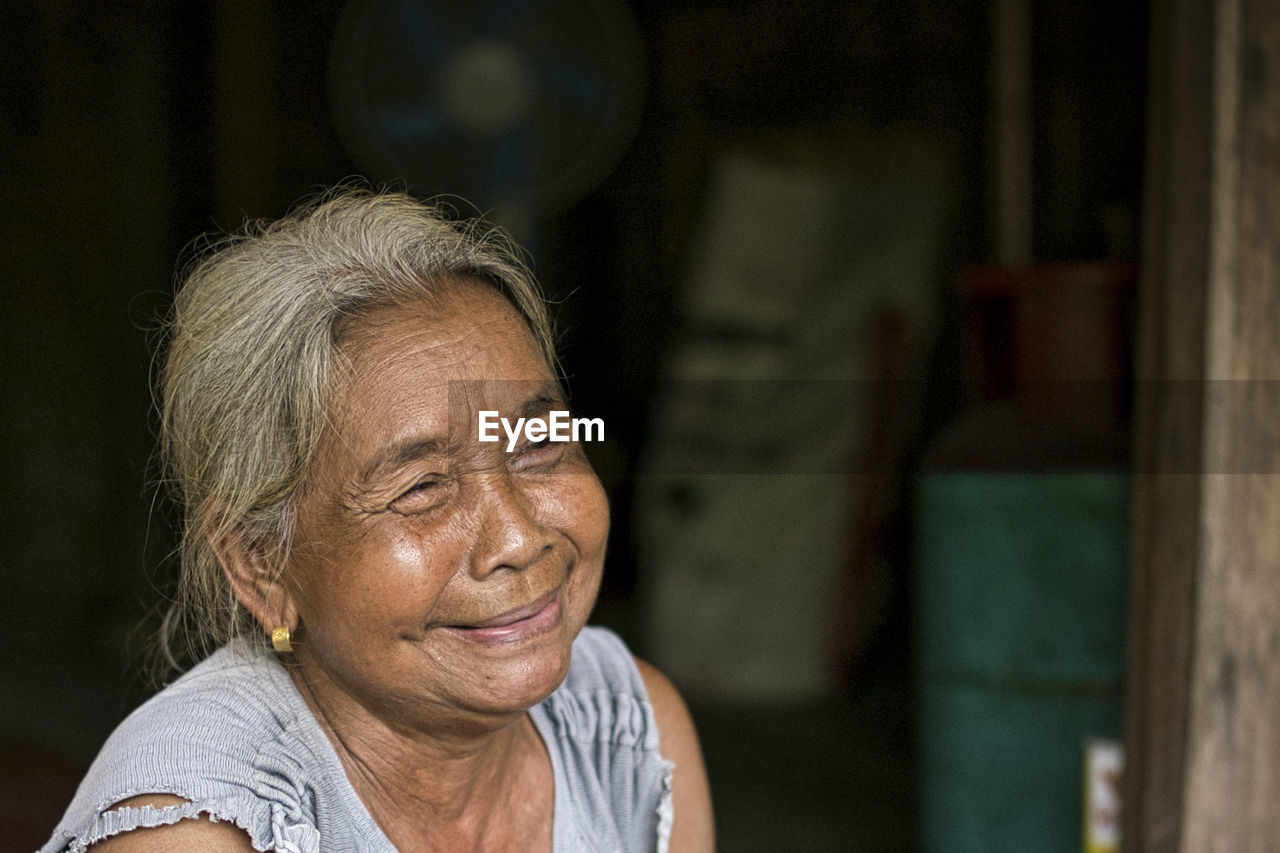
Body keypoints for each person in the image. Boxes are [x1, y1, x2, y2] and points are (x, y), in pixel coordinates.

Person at [41, 190, 714, 852]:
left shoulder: (629, 731)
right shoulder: (196, 834)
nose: (517, 538)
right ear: (260, 563)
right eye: (421, 487)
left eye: (538, 442)